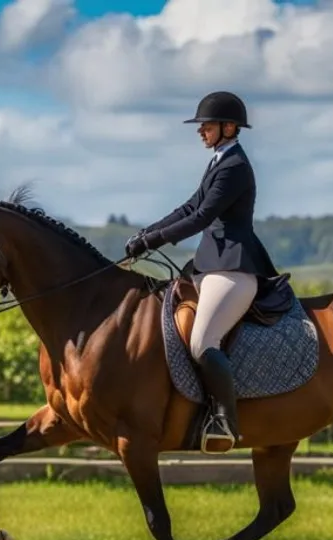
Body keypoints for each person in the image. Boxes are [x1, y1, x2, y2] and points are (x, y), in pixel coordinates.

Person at [123, 90, 283, 452]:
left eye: (206, 125)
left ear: (228, 127)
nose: (200, 131)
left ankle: (225, 421)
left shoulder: (235, 167)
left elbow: (202, 218)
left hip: (233, 268)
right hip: (209, 264)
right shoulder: (218, 162)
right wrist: (146, 234)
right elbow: (188, 207)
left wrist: (155, 242)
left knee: (201, 341)